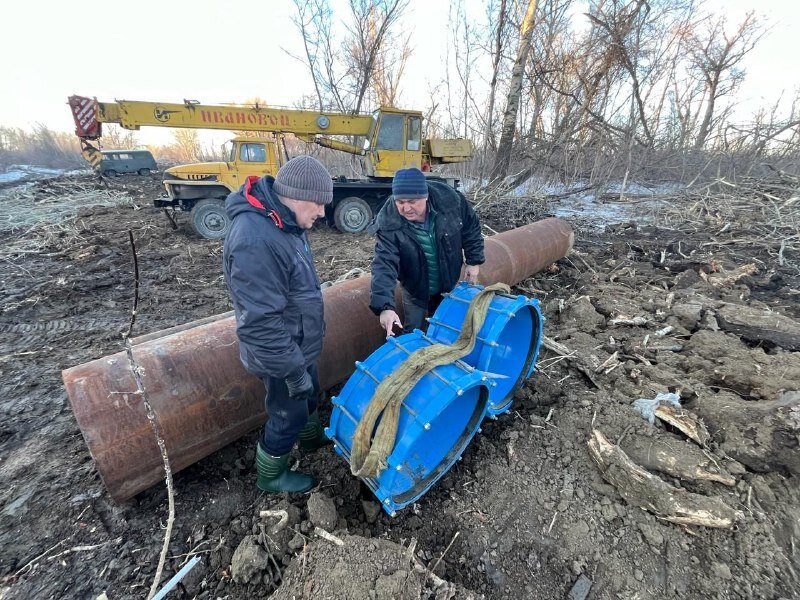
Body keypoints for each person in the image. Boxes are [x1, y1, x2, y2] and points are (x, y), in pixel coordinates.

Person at [222, 156, 332, 494]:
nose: (323, 213)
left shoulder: (287, 224)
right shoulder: (255, 239)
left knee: (310, 396)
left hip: (297, 346)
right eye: (319, 204)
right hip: (279, 355)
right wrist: (291, 368)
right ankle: (271, 477)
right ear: (298, 197)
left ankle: (312, 442)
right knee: (288, 415)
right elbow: (259, 322)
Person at [370, 167, 485, 336]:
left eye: (412, 202)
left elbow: (471, 227)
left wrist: (473, 261)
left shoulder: (451, 203)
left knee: (446, 329)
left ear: (425, 197)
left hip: (448, 284)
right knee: (413, 331)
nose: (406, 208)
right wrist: (385, 307)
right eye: (400, 202)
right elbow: (384, 264)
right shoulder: (389, 223)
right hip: (415, 290)